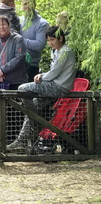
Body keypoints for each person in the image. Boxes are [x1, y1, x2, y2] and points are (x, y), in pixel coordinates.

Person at [7, 22, 76, 151]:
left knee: (22, 89)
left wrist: (41, 77)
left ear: (60, 38)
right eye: (48, 41)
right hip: (54, 84)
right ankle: (22, 141)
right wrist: (43, 75)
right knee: (34, 107)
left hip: (58, 87)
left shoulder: (65, 52)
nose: (50, 43)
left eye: (52, 40)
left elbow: (55, 72)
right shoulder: (58, 51)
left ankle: (33, 119)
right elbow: (54, 71)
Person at [20, 0, 49, 80]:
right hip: (16, 65)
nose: (28, 6)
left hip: (31, 66)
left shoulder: (42, 24)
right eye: (25, 4)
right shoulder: (19, 21)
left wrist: (21, 41)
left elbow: (39, 45)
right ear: (22, 6)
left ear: (34, 5)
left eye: (30, 4)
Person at [0, 13, 27, 89]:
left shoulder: (18, 39)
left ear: (9, 25)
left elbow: (20, 57)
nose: (2, 27)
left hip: (16, 81)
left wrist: (2, 70)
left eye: (4, 24)